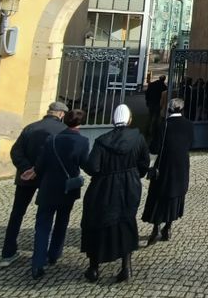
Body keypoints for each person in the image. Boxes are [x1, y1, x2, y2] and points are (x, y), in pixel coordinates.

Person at [80, 104, 150, 283]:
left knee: (98, 222)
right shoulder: (138, 138)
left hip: (105, 186)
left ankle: (94, 267)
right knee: (126, 220)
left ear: (112, 120)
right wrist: (135, 175)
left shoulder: (102, 140)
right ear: (130, 120)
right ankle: (126, 267)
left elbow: (93, 167)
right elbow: (144, 163)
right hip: (129, 184)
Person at [0, 101, 67, 268]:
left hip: (26, 177)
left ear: (49, 112)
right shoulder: (63, 131)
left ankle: (8, 252)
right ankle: (46, 252)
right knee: (46, 216)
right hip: (49, 179)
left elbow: (16, 151)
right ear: (61, 114)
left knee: (17, 213)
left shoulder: (30, 128)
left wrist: (27, 169)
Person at [29, 109, 89, 280]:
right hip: (67, 188)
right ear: (81, 123)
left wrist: (35, 172)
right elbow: (85, 164)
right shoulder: (83, 141)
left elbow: (40, 164)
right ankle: (54, 254)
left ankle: (37, 264)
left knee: (42, 226)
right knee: (62, 221)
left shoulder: (52, 139)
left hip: (48, 187)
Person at [142, 98, 194, 246]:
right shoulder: (189, 125)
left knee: (159, 195)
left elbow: (154, 148)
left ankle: (156, 228)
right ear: (182, 109)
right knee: (175, 195)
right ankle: (168, 227)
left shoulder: (163, 125)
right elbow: (192, 144)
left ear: (169, 109)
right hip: (181, 166)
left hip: (164, 166)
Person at [145, 75, 167, 140]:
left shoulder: (152, 84)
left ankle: (147, 131)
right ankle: (154, 132)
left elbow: (147, 93)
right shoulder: (164, 87)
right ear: (164, 80)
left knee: (150, 117)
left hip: (151, 103)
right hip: (158, 104)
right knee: (156, 118)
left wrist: (147, 101)